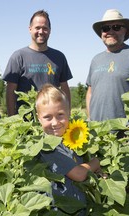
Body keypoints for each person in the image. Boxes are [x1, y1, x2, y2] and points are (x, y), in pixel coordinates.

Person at [36, 84, 103, 213]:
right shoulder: (47, 147)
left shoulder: (70, 139)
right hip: (59, 211)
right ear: (39, 118)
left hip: (78, 207)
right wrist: (95, 163)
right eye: (47, 117)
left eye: (60, 115)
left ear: (69, 113)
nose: (55, 122)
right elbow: (79, 174)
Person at [3, 10, 73, 116]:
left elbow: (65, 88)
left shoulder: (59, 57)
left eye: (45, 28)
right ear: (30, 29)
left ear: (50, 30)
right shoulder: (18, 56)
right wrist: (11, 118)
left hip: (52, 120)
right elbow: (10, 91)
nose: (41, 31)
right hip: (26, 122)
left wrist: (67, 113)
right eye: (37, 28)